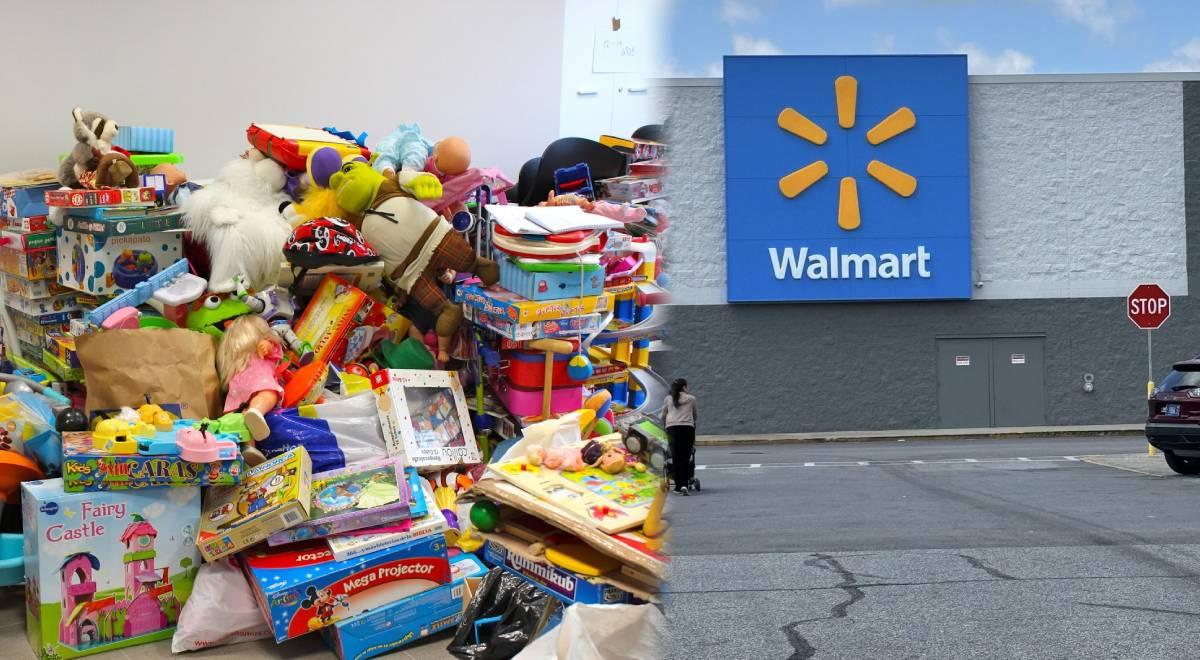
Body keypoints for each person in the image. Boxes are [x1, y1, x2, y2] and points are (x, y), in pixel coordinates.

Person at [663, 378, 697, 495]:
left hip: (672, 428)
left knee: (676, 457)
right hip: (687, 429)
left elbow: (664, 414)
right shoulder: (691, 399)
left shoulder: (668, 399)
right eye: (687, 386)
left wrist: (665, 426)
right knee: (685, 457)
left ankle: (678, 486)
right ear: (683, 387)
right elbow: (695, 415)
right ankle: (684, 484)